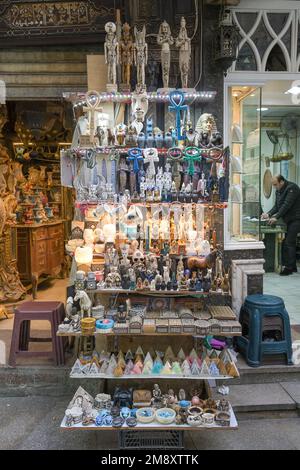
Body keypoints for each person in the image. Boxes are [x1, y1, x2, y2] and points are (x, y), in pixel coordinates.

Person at [261, 175, 300, 275]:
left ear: (281, 181)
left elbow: (286, 205)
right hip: (288, 220)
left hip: (296, 219)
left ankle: (289, 268)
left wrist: (276, 217)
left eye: (275, 184)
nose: (274, 187)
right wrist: (268, 214)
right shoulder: (278, 190)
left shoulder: (292, 188)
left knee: (289, 242)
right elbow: (277, 206)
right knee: (287, 242)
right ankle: (293, 266)